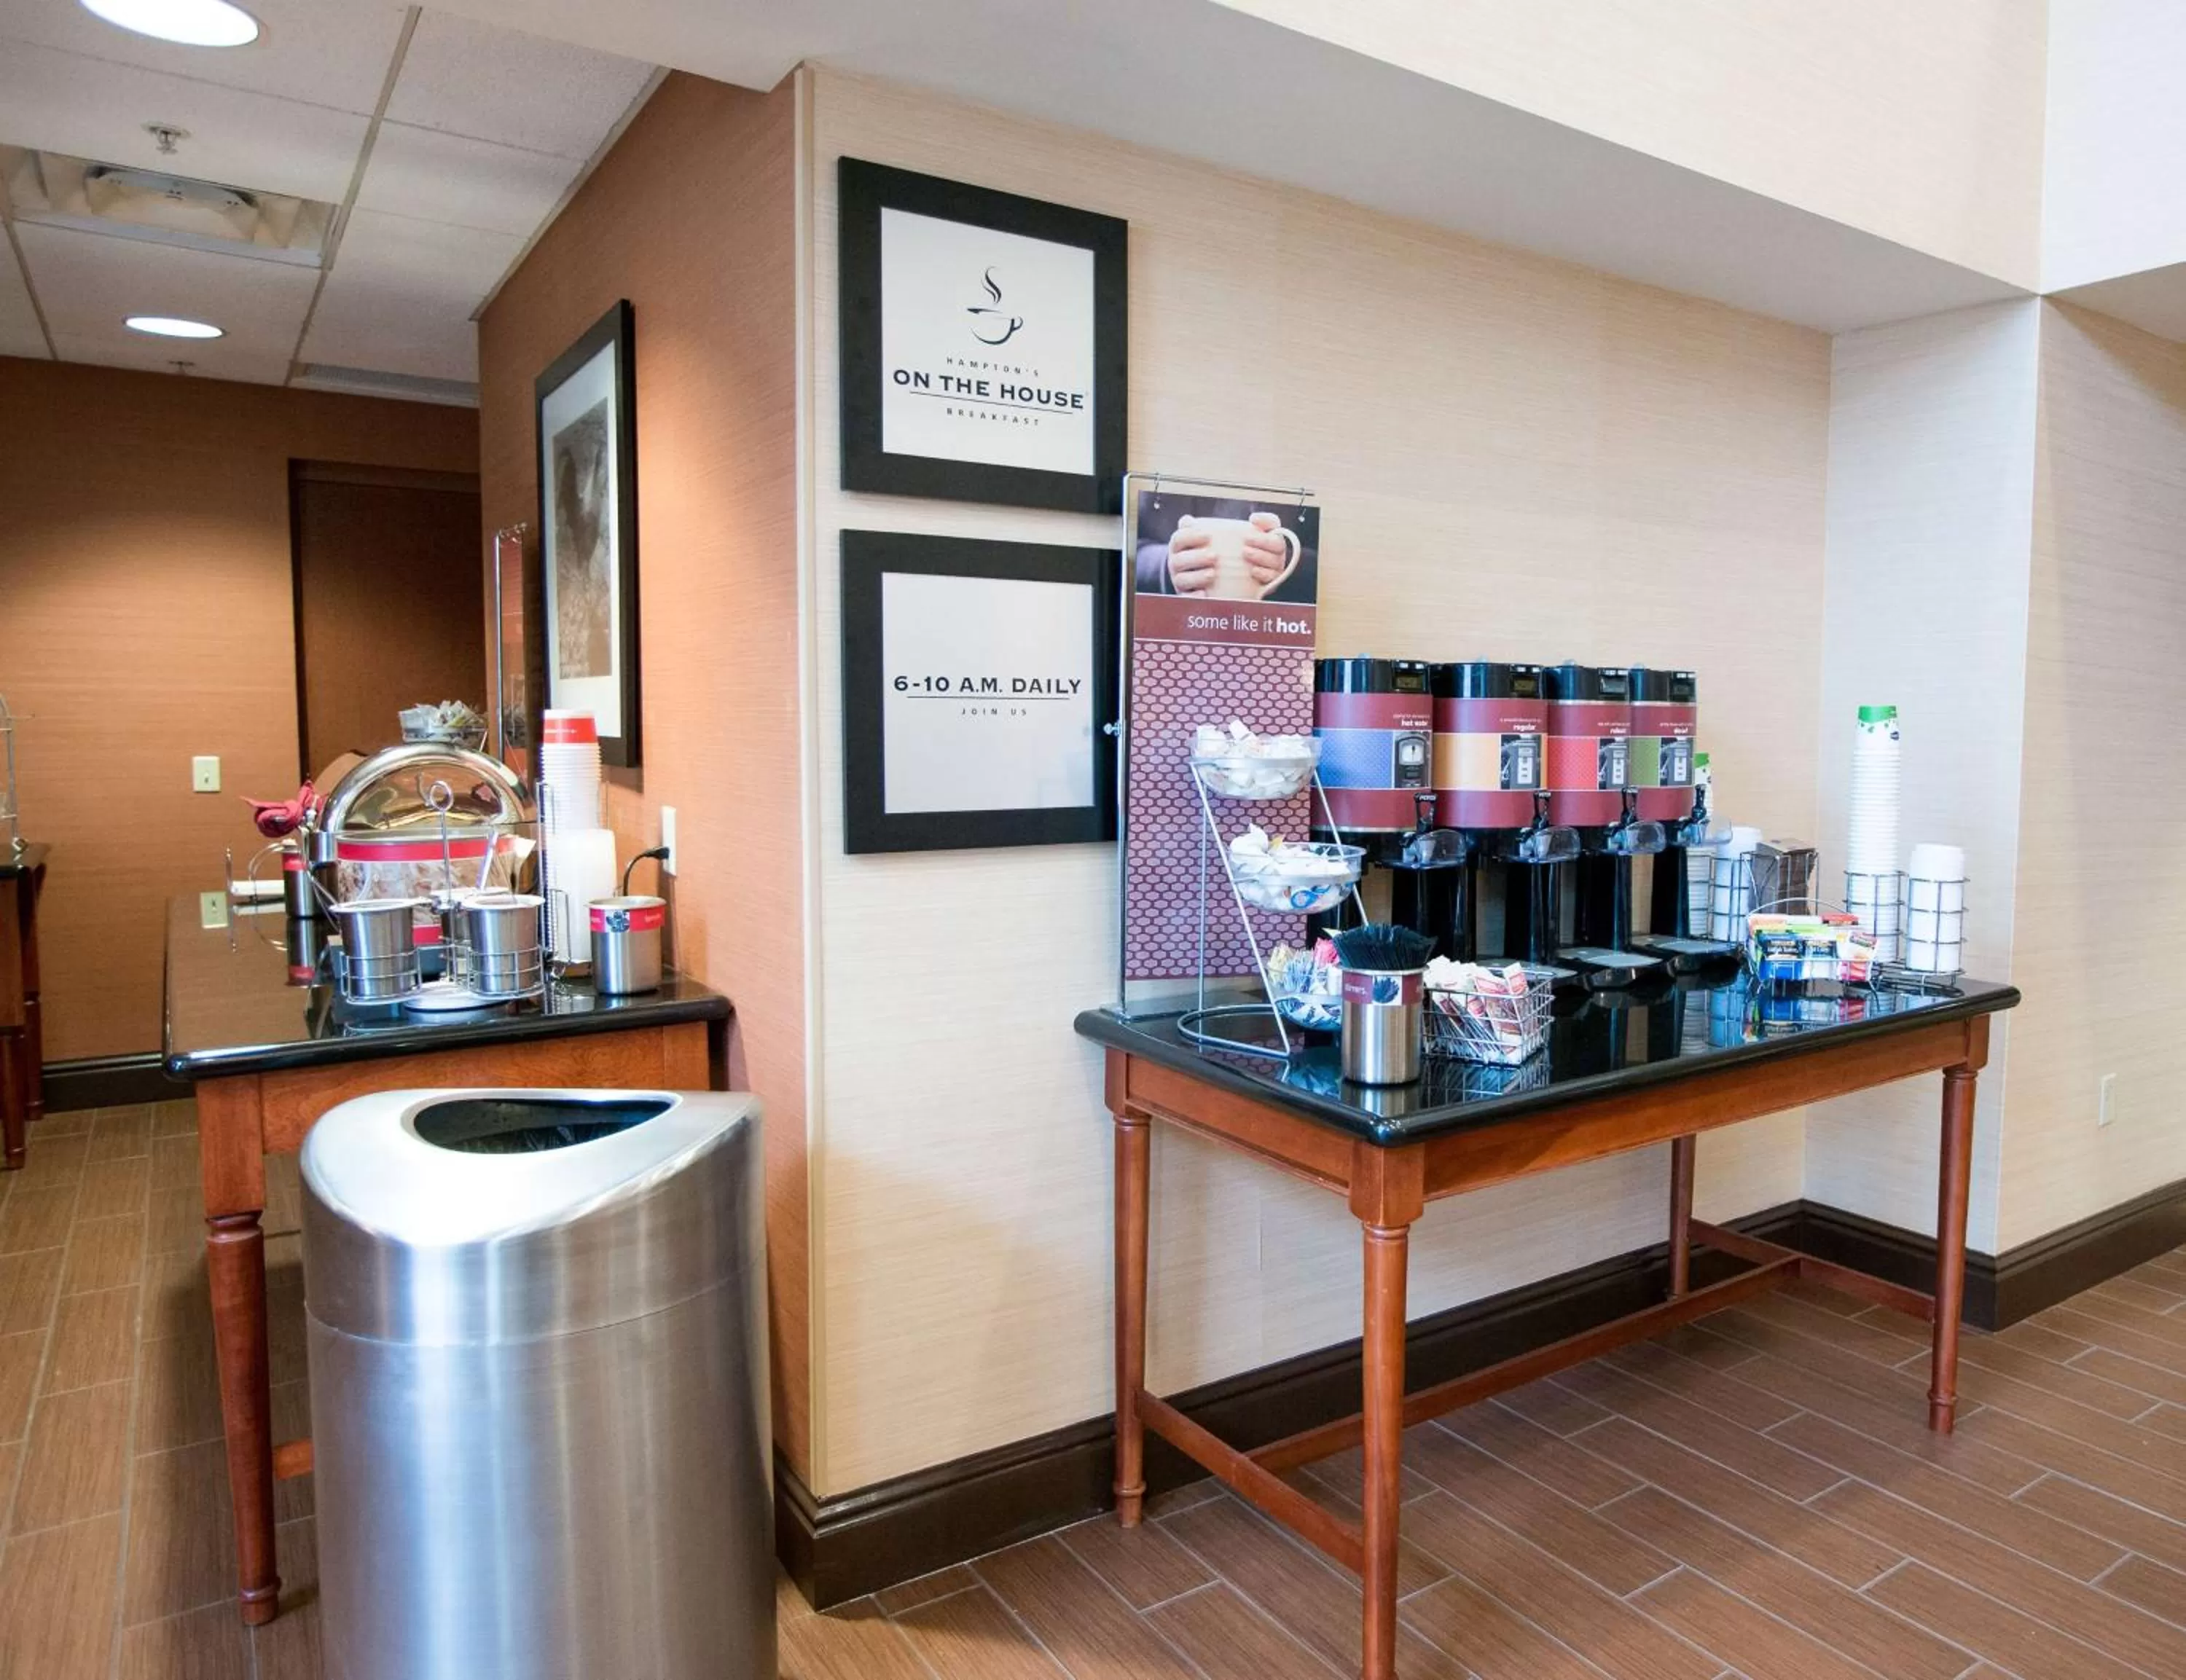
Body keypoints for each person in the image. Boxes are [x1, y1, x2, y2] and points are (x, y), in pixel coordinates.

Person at [1133, 498, 1317, 602]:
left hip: (1274, 629)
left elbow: (1333, 559)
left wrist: (1284, 563)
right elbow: (1119, 548)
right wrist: (1166, 566)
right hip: (1166, 629)